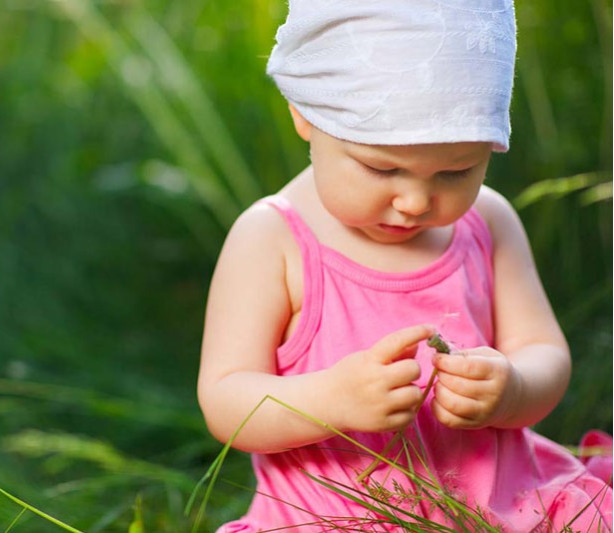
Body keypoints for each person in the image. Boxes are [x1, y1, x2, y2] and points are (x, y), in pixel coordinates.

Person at [196, 1, 613, 531]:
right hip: (334, 517)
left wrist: (513, 390)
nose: (416, 201)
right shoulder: (272, 239)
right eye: (382, 167)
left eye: (457, 171)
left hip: (504, 504)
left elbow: (545, 353)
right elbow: (226, 400)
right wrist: (330, 401)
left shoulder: (489, 222)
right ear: (305, 114)